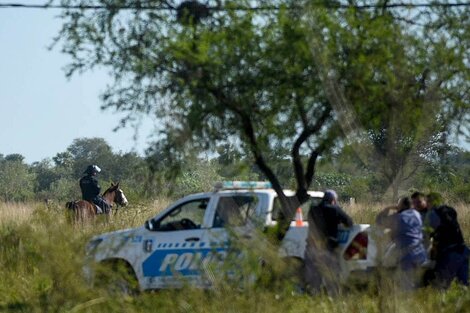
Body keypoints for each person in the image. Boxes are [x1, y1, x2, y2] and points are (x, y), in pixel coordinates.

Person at [304, 189, 353, 295]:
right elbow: (349, 222)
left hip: (311, 249)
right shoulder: (334, 209)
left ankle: (312, 300)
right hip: (327, 249)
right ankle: (332, 300)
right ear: (333, 200)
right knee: (332, 277)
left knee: (313, 279)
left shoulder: (312, 209)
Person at [426, 194, 469, 288]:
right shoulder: (450, 210)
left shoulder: (432, 214)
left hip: (449, 254)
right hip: (463, 250)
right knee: (464, 285)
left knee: (440, 286)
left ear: (429, 203)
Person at [394, 196, 427, 289]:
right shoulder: (417, 214)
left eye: (398, 205)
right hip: (420, 253)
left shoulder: (400, 217)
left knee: (407, 286)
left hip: (407, 254)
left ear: (402, 206)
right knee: (416, 282)